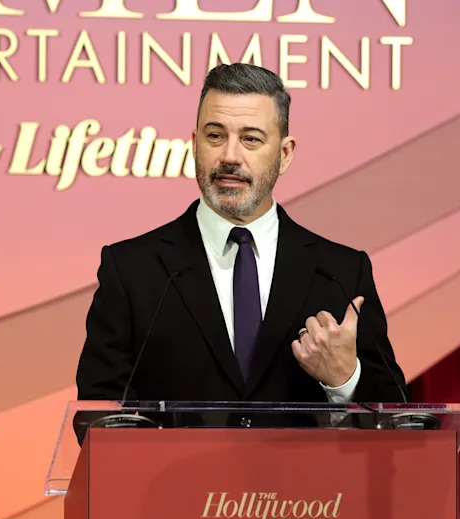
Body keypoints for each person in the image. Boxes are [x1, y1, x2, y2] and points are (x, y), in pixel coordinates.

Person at [75, 63, 406, 411]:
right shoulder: (133, 270)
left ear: (285, 154)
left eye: (251, 139)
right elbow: (98, 416)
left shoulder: (341, 272)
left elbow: (399, 417)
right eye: (215, 136)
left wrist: (344, 380)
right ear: (194, 144)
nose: (230, 156)